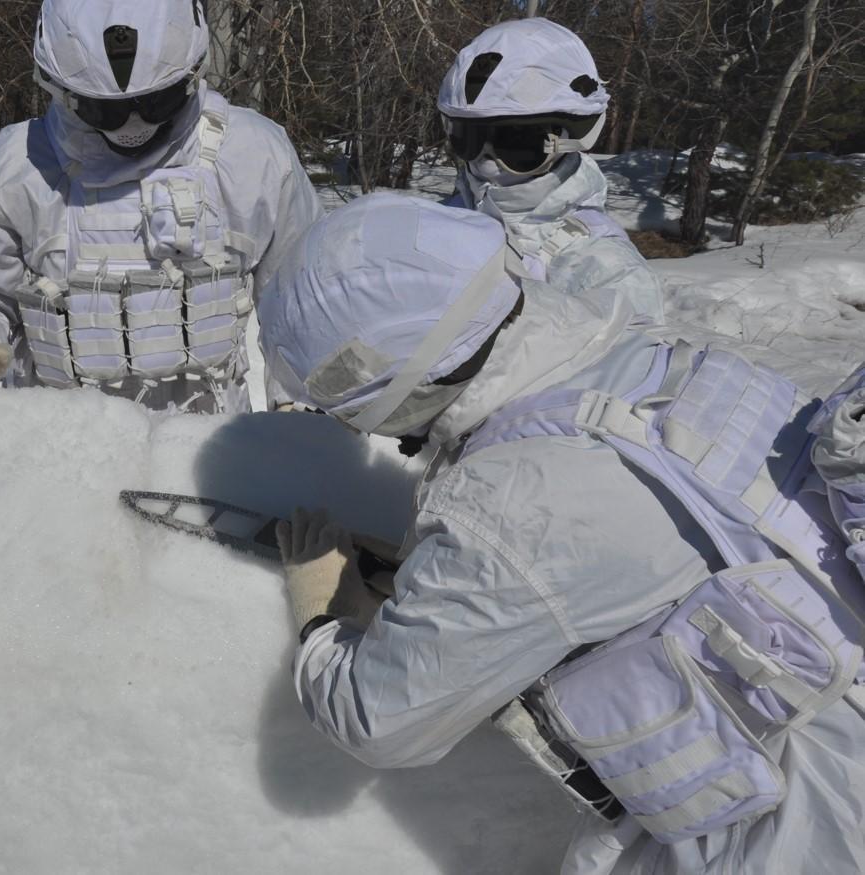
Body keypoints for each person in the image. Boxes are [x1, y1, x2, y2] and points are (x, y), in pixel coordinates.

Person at [257, 192, 865, 873]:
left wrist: (322, 617)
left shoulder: (509, 505)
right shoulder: (632, 354)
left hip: (803, 829)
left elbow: (381, 721)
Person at [0, 0, 323, 414]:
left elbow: (302, 300)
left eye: (156, 103)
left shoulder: (255, 157)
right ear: (61, 91)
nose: (134, 125)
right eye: (104, 110)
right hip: (58, 446)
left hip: (210, 452)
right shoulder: (18, 166)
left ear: (191, 75)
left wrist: (301, 405)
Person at [438, 18, 665, 322]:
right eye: (469, 138)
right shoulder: (441, 219)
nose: (485, 160)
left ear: (574, 137)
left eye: (516, 140)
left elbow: (629, 362)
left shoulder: (607, 270)